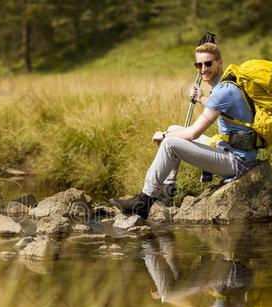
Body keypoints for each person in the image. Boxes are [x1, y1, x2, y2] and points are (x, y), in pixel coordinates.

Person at [111, 42, 259, 219]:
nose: (203, 69)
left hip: (237, 161)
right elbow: (224, 108)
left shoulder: (222, 92)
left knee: (170, 142)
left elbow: (193, 133)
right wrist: (202, 98)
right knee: (175, 129)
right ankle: (166, 191)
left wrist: (164, 135)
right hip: (229, 150)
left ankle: (145, 200)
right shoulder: (227, 85)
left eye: (208, 64)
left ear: (220, 62)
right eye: (198, 65)